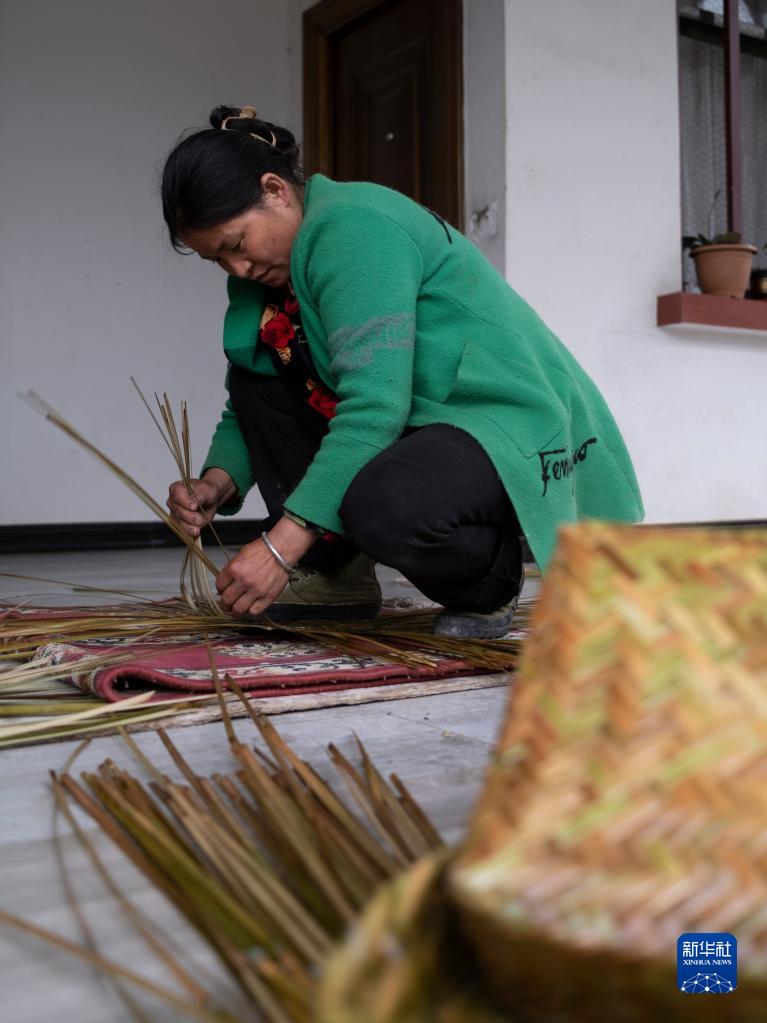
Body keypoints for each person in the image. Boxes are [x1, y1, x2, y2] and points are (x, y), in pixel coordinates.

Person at [163, 105, 643, 638]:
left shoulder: (352, 228)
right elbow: (255, 393)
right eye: (217, 260)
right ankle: (335, 574)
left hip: (495, 417)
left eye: (236, 244)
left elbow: (374, 408)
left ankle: (488, 580)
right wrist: (216, 483)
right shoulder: (261, 279)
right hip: (419, 423)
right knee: (258, 376)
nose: (238, 268)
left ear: (275, 191)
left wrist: (281, 546)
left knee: (385, 505)